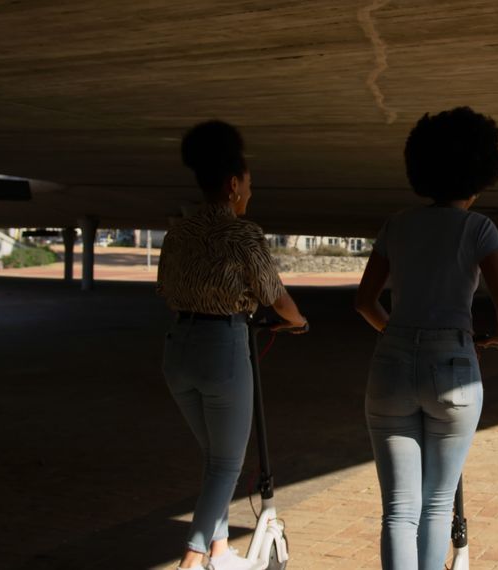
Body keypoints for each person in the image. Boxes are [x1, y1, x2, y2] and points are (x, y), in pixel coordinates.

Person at [354, 107, 498, 569]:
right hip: (453, 366)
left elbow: (365, 303)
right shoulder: (479, 229)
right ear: (481, 172)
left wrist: (398, 335)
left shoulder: (397, 225)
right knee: (435, 505)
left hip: (389, 364)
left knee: (399, 511)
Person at [157, 120, 308, 570]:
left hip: (177, 350)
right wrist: (298, 322)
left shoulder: (177, 232)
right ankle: (192, 558)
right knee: (226, 465)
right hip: (221, 350)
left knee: (215, 458)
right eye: (247, 185)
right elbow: (275, 297)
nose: (249, 194)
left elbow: (165, 289)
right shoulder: (244, 235)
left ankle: (220, 552)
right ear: (232, 185)